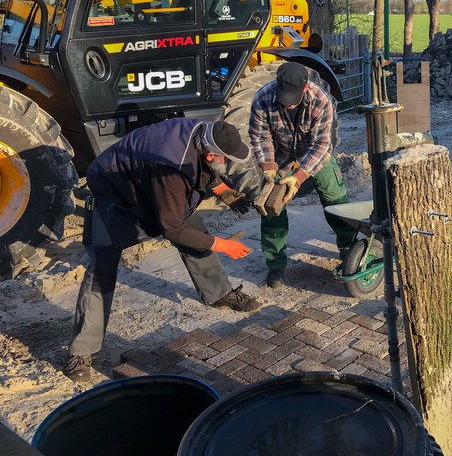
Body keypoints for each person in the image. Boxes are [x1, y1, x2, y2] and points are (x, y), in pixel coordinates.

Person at [63, 119, 260, 382]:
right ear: (211, 153)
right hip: (112, 193)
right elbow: (173, 229)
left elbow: (202, 167)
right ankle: (81, 351)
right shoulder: (171, 169)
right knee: (102, 270)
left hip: (146, 180)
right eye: (224, 158)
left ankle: (219, 293)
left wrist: (223, 190)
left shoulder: (204, 131)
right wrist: (222, 244)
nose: (225, 163)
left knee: (195, 230)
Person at [249, 63, 358, 289]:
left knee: (335, 200)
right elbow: (260, 138)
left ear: (305, 88)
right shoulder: (262, 99)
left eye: (293, 98)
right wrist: (268, 167)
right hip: (280, 154)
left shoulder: (321, 100)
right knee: (271, 206)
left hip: (315, 153)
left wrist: (298, 177)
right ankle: (275, 264)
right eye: (285, 97)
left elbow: (322, 145)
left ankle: (349, 250)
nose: (289, 103)